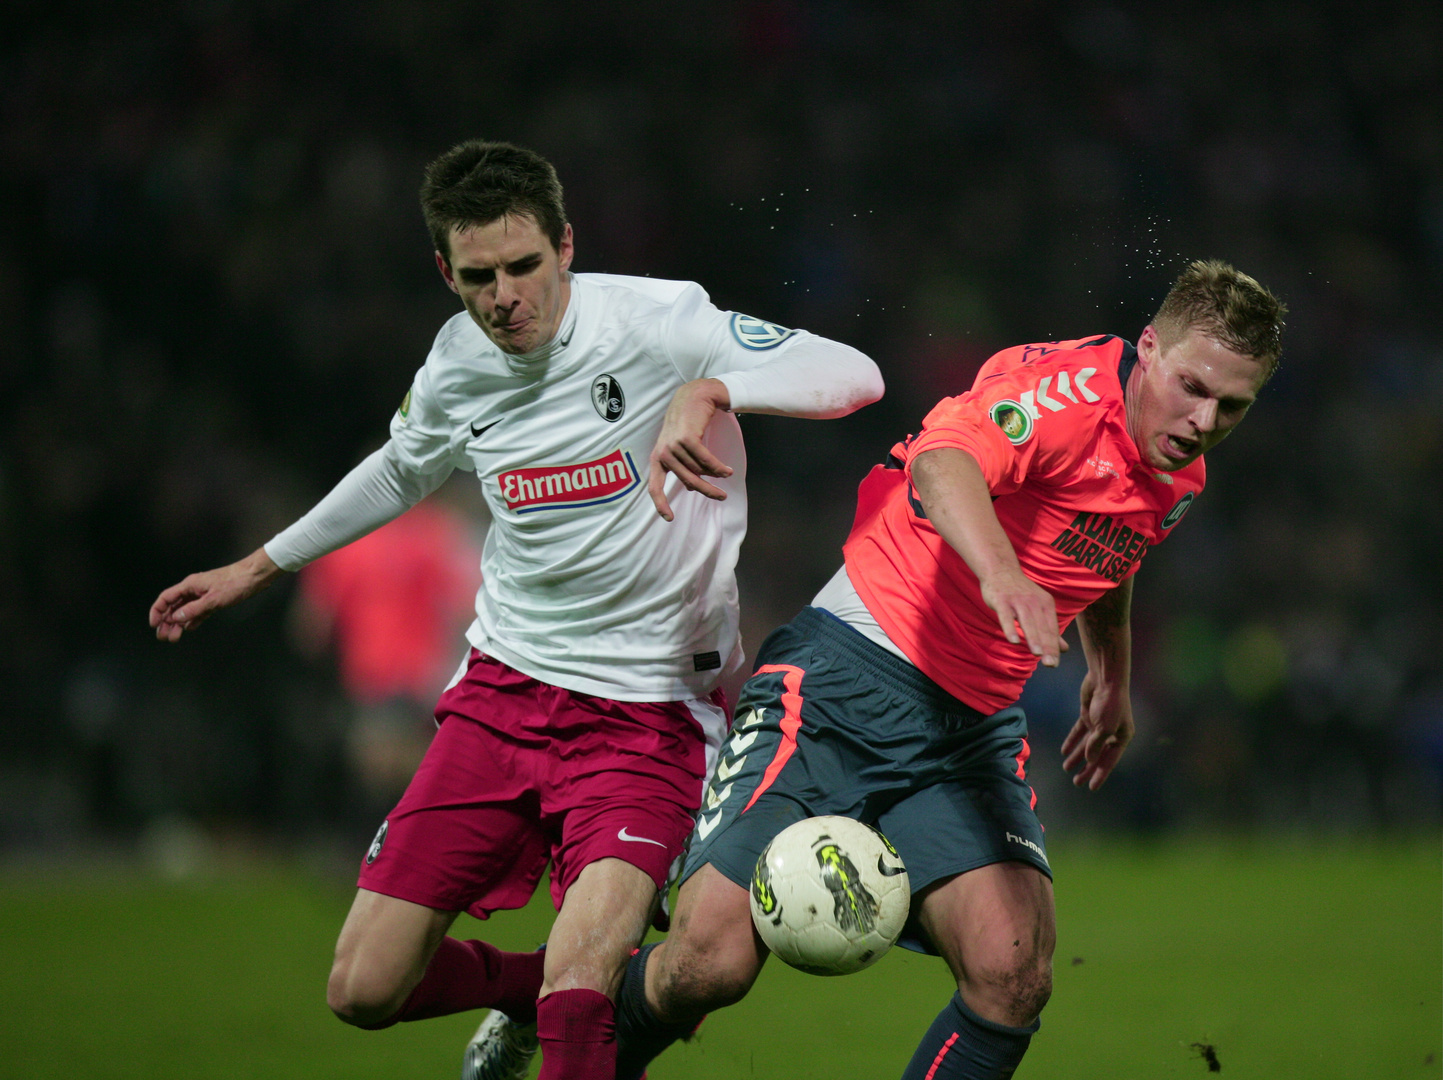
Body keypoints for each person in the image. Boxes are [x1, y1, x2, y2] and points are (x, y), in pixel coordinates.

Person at [147, 139, 883, 1080]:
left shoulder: (662, 322)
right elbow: (402, 466)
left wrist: (713, 388)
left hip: (647, 717)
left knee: (582, 999)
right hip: (500, 695)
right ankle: (522, 988)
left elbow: (856, 374)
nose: (505, 297)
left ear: (566, 245)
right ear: (445, 271)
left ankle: (561, 993)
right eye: (480, 276)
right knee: (363, 989)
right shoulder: (458, 360)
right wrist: (260, 566)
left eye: (525, 266)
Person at [595, 259, 1287, 1080]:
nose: (1203, 419)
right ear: (1148, 348)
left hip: (968, 731)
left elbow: (1105, 541)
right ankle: (574, 1013)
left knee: (1013, 974)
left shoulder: (1179, 469)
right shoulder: (1062, 397)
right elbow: (941, 462)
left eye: (1231, 406)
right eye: (1190, 386)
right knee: (707, 967)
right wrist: (999, 572)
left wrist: (1113, 669)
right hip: (841, 681)